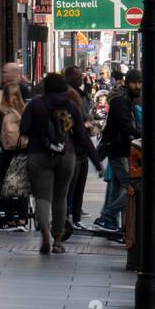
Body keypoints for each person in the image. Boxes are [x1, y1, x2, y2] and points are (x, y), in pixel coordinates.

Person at [21, 73, 102, 254]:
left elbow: (24, 129)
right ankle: (58, 240)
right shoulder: (71, 106)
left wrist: (39, 133)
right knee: (60, 198)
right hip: (67, 155)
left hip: (39, 155)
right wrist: (97, 162)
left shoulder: (36, 104)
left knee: (42, 198)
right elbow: (82, 136)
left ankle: (45, 235)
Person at [92, 70, 141, 235]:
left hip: (123, 151)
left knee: (118, 188)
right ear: (128, 82)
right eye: (135, 82)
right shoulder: (121, 101)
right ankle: (107, 216)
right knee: (133, 188)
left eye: (140, 82)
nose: (138, 86)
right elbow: (126, 126)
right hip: (119, 151)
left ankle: (108, 221)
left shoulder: (127, 99)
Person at [0, 81, 29, 231]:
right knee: (21, 184)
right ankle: (23, 220)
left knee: (6, 185)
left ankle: (9, 220)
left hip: (6, 151)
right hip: (22, 150)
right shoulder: (24, 109)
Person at [63, 66, 94, 235]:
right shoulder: (67, 94)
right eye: (77, 75)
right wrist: (85, 124)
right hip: (72, 147)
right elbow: (72, 120)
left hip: (81, 147)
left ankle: (76, 217)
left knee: (80, 184)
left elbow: (86, 110)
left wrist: (88, 88)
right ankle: (67, 217)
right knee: (71, 185)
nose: (81, 78)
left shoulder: (79, 94)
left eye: (81, 75)